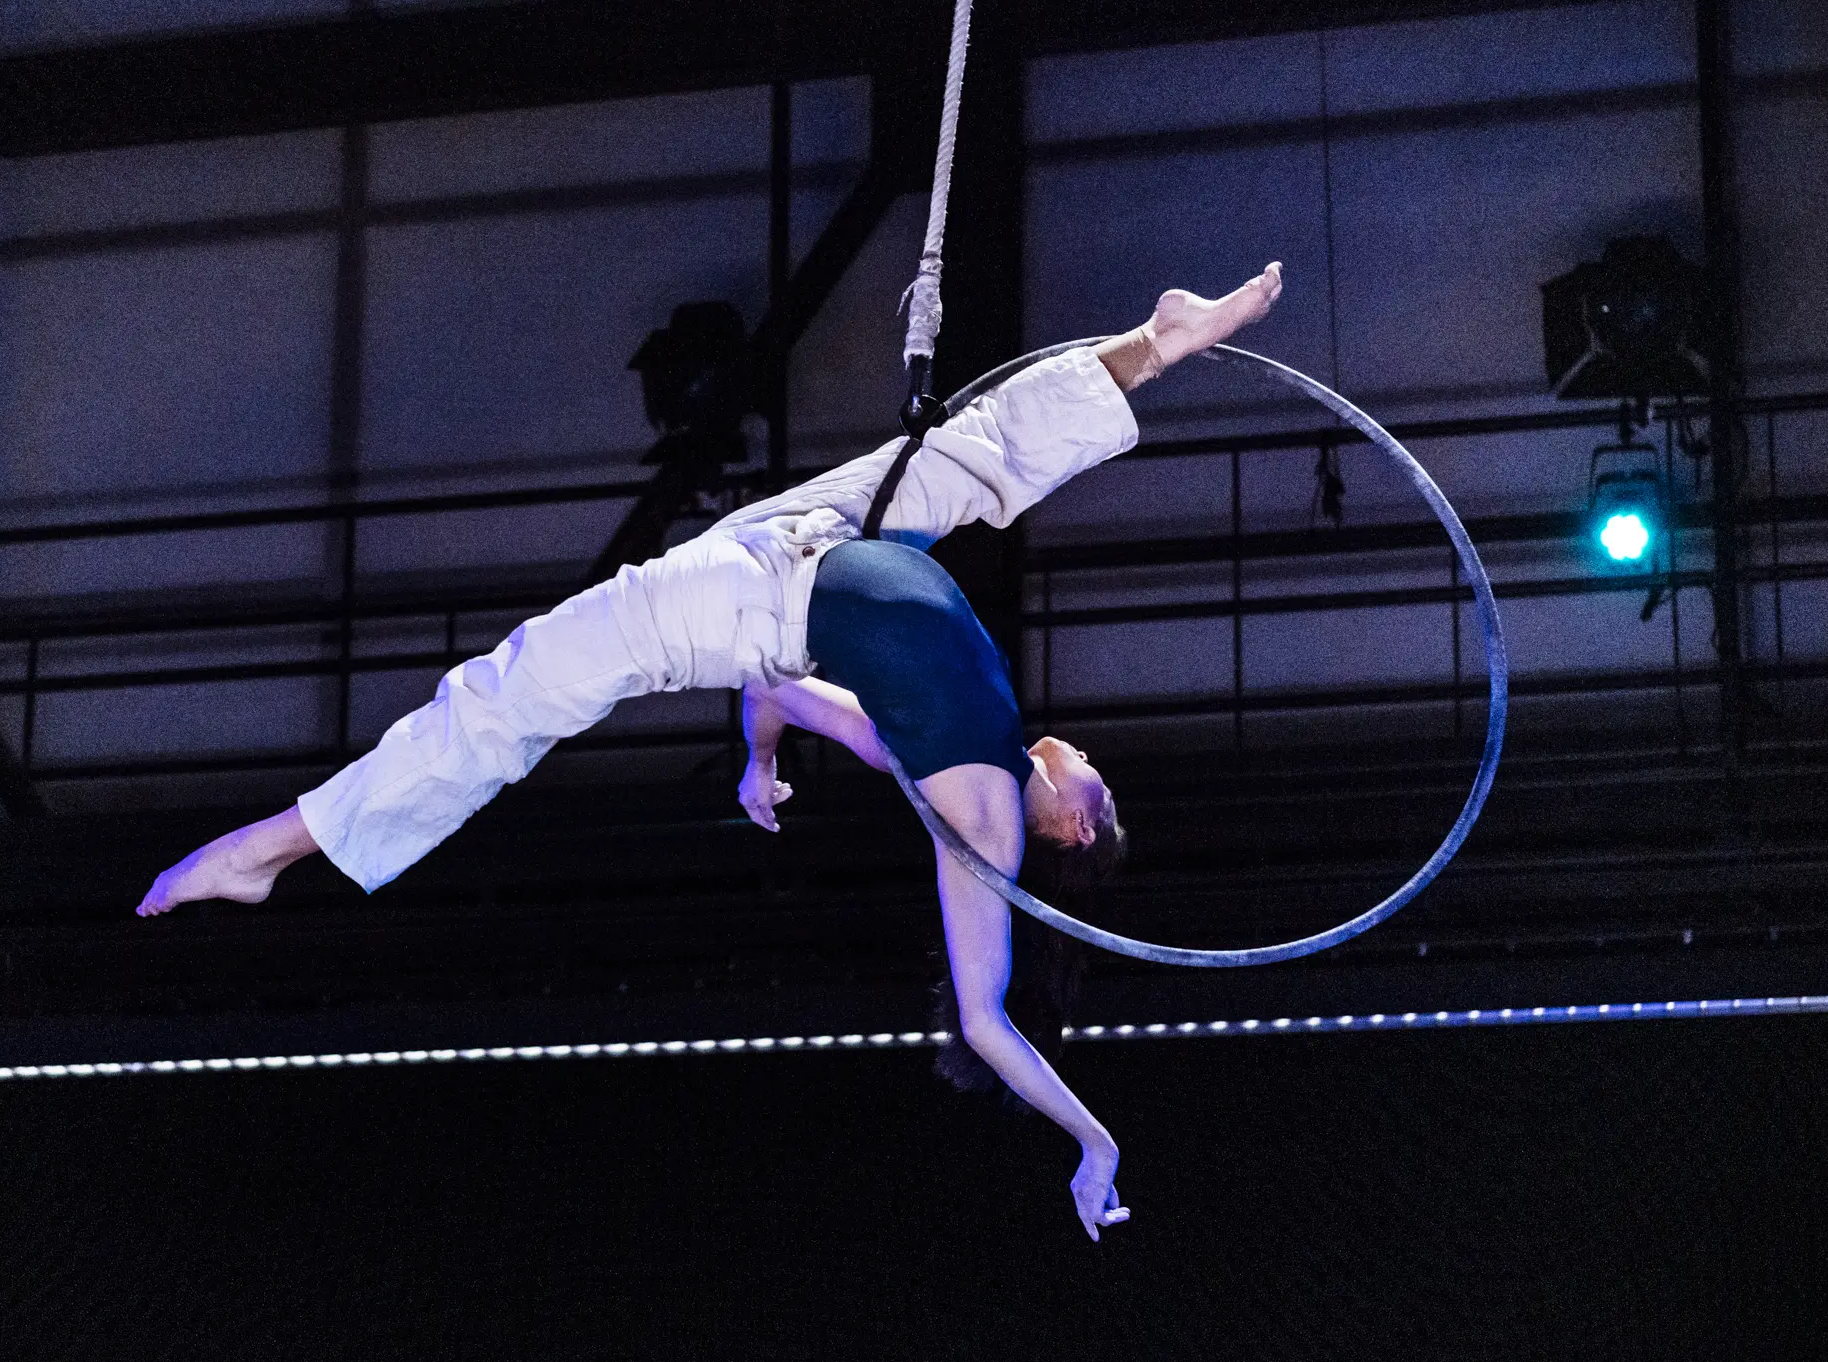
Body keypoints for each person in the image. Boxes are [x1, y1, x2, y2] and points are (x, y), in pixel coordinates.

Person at [140, 263, 1286, 1242]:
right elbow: (789, 701)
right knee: (977, 453)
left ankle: (279, 847)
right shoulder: (949, 741)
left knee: (519, 688)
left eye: (1101, 782)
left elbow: (985, 1018)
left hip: (752, 596)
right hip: (825, 535)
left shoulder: (975, 825)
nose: (1093, 757)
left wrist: (1093, 1139)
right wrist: (755, 761)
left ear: (1072, 823)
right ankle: (1158, 340)